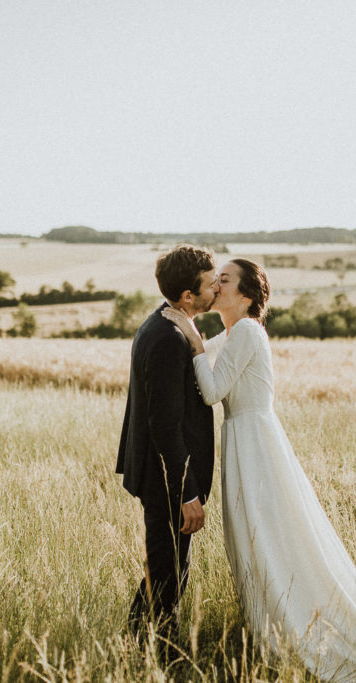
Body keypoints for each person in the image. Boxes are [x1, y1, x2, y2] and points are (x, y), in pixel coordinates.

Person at [162, 258, 356, 681]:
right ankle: (273, 627)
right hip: (243, 442)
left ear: (247, 296)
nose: (216, 285)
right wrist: (188, 337)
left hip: (255, 444)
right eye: (217, 280)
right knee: (256, 539)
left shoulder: (248, 331)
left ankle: (294, 629)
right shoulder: (234, 333)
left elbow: (212, 390)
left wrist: (193, 339)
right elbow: (199, 371)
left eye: (226, 280)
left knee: (270, 537)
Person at [116, 244, 220, 650]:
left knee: (165, 568)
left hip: (161, 475)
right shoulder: (167, 339)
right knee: (169, 573)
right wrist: (187, 492)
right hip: (165, 480)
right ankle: (164, 657)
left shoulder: (165, 324)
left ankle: (136, 645)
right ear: (188, 296)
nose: (217, 289)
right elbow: (164, 426)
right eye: (211, 284)